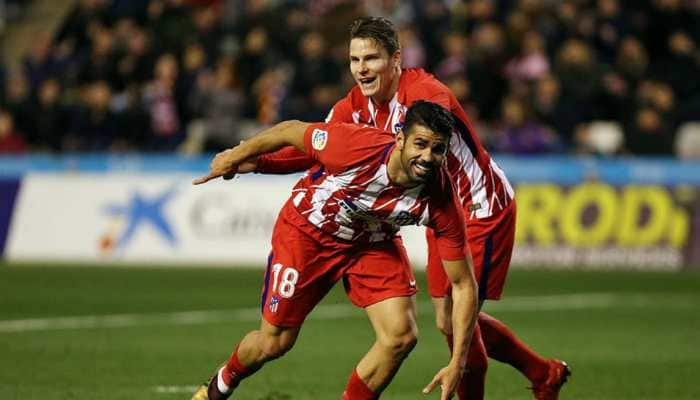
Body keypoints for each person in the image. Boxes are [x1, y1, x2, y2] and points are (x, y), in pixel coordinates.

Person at [253, 17, 570, 400]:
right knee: (446, 320)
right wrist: (257, 161)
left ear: (396, 59)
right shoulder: (360, 105)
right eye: (356, 60)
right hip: (440, 208)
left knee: (457, 326)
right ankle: (542, 372)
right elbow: (318, 149)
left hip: (479, 206)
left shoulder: (424, 93)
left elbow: (428, 127)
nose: (362, 68)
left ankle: (534, 376)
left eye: (372, 58)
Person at [191, 101, 479, 400]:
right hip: (309, 233)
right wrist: (234, 156)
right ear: (400, 139)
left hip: (372, 241)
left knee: (400, 336)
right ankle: (218, 386)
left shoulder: (442, 200)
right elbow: (290, 130)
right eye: (420, 144)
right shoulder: (355, 146)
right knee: (274, 342)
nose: (427, 157)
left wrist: (457, 363)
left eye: (438, 149)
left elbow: (462, 284)